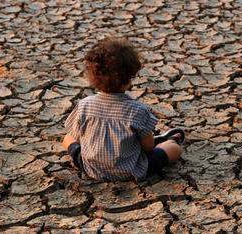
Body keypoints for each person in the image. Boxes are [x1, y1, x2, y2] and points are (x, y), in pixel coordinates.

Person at [62, 37, 185, 182]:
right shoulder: (137, 110)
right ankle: (167, 141)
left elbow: (77, 137)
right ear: (128, 79)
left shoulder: (84, 105)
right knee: (174, 149)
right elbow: (148, 146)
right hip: (130, 170)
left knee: (67, 138)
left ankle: (162, 141)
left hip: (91, 168)